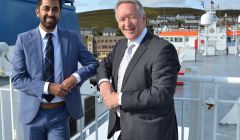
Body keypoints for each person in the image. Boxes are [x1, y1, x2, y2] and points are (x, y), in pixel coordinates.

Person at [11, 0, 99, 139]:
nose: (50, 13)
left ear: (59, 13)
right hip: (32, 116)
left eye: (55, 9)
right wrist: (48, 87)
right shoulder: (23, 40)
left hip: (60, 114)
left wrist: (75, 78)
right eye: (46, 8)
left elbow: (93, 64)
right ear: (38, 11)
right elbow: (17, 79)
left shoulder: (72, 38)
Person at [97, 0, 180, 140]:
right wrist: (104, 83)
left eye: (132, 17)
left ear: (144, 18)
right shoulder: (121, 45)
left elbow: (162, 93)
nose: (127, 24)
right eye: (122, 19)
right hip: (122, 128)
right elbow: (103, 65)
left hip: (150, 132)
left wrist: (118, 98)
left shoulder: (163, 49)